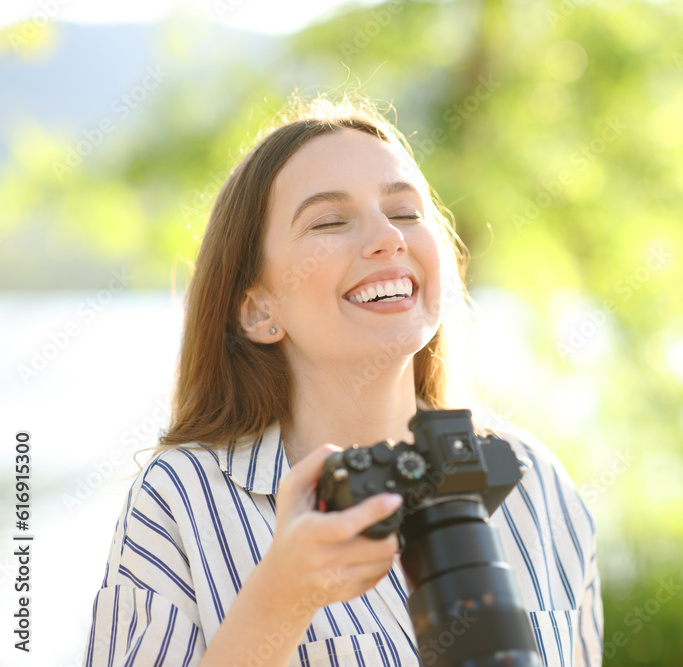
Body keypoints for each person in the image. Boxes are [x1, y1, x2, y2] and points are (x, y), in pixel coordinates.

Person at [84, 94, 603, 667]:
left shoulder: (537, 482)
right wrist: (282, 599)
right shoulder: (183, 498)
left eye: (406, 212)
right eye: (331, 221)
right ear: (258, 309)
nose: (388, 237)